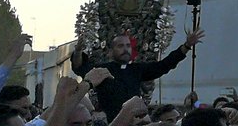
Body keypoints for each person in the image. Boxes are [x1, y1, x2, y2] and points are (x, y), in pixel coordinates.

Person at [70, 29, 205, 122]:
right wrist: (77, 51)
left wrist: (186, 46)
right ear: (111, 52)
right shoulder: (102, 69)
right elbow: (80, 67)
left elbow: (163, 65)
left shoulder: (137, 69)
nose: (125, 49)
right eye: (120, 46)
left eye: (128, 46)